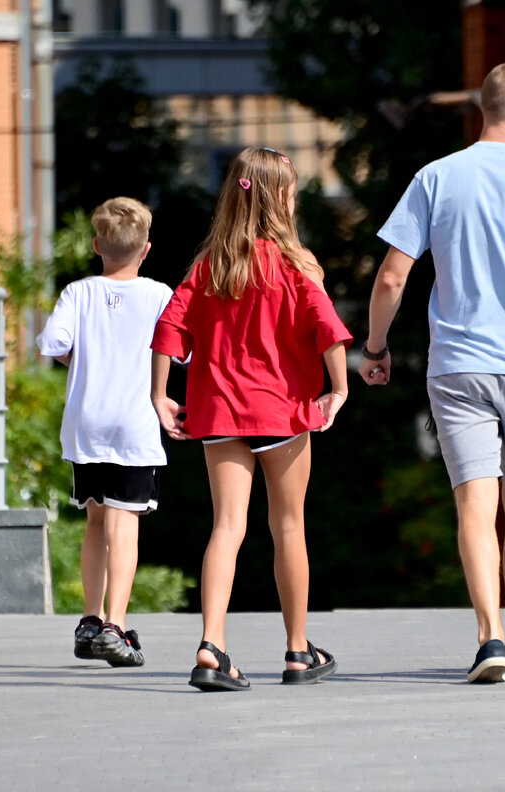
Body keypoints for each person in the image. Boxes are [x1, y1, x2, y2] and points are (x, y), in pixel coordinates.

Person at [358, 63, 505, 684]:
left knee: (474, 503)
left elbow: (392, 276)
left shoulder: (436, 178)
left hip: (459, 366)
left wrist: (376, 347)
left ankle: (488, 638)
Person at [150, 147, 352, 692]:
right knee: (287, 525)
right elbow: (326, 325)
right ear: (279, 197)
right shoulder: (296, 262)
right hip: (282, 409)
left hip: (217, 410)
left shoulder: (209, 263)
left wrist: (160, 394)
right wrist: (339, 386)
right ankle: (295, 652)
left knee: (226, 527)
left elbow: (169, 326)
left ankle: (211, 646)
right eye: (291, 190)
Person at [37, 196, 173, 667]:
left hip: (86, 421)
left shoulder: (78, 292)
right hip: (134, 422)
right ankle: (116, 624)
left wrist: (80, 362)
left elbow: (54, 343)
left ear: (96, 245)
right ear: (146, 249)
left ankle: (89, 619)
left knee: (96, 520)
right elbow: (183, 351)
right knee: (125, 523)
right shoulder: (159, 295)